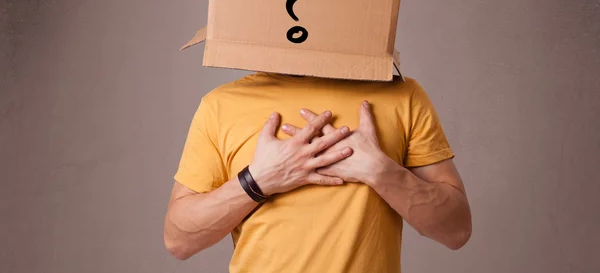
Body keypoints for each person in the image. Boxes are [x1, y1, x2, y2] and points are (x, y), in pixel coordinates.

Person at [164, 71, 472, 273]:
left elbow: (456, 230)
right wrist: (257, 181)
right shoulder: (222, 105)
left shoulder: (403, 96)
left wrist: (381, 172)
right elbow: (179, 241)